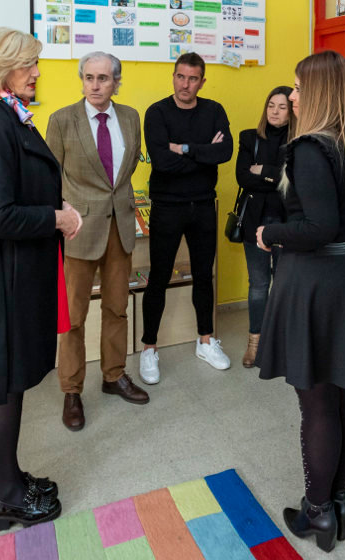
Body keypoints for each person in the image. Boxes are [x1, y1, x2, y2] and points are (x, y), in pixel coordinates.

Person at [255, 50, 345, 553]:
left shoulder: (310, 148)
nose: (291, 96)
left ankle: (317, 513)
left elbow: (318, 227)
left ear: (316, 93)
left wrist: (271, 232)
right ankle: (339, 499)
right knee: (344, 393)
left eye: (296, 87)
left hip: (317, 283)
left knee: (316, 400)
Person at [0, 27, 82, 530]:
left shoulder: (10, 119)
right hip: (2, 277)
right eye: (29, 64)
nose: (36, 72)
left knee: (16, 383)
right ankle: (5, 494)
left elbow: (22, 193)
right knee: (7, 384)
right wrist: (58, 219)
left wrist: (55, 209)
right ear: (5, 68)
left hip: (18, 273)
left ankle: (10, 475)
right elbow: (0, 215)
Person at [46, 51, 148, 432]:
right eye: (89, 77)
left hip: (120, 227)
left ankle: (113, 376)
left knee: (117, 309)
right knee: (73, 318)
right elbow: (49, 178)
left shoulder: (130, 118)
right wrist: (65, 214)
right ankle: (72, 390)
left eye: (103, 78)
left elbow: (126, 171)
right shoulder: (61, 120)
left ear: (116, 82)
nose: (94, 85)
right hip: (78, 233)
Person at [139, 52, 233, 384]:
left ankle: (205, 341)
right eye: (181, 77)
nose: (185, 84)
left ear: (201, 82)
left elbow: (224, 153)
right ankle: (149, 347)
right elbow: (162, 163)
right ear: (174, 77)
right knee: (159, 278)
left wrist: (186, 149)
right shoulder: (157, 112)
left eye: (193, 79)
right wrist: (203, 152)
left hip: (204, 205)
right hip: (167, 205)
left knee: (204, 276)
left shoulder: (214, 110)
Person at [234, 85, 294, 368]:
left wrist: (265, 171)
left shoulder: (300, 141)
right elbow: (243, 178)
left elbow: (292, 182)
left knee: (284, 285)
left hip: (287, 224)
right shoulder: (249, 137)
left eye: (282, 106)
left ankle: (283, 344)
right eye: (271, 105)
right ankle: (255, 344)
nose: (275, 111)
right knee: (259, 285)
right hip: (254, 222)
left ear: (292, 110)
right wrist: (276, 177)